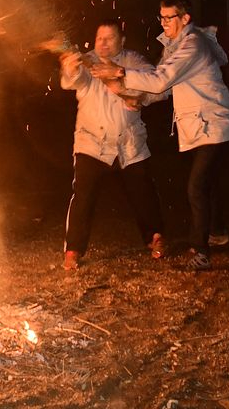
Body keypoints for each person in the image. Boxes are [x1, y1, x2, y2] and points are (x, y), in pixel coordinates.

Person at [90, 0, 229, 271]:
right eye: (161, 17)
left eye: (169, 17)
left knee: (196, 186)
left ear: (185, 19)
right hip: (201, 125)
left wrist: (121, 72)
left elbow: (160, 80)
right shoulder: (177, 45)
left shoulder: (192, 44)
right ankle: (218, 232)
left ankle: (201, 251)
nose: (163, 23)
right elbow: (165, 87)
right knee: (207, 182)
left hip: (214, 123)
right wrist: (139, 99)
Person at [59, 19, 167, 271]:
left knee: (143, 193)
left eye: (109, 38)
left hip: (129, 143)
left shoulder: (133, 62)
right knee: (83, 196)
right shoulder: (85, 61)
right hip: (91, 142)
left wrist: (132, 91)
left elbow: (158, 88)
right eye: (99, 38)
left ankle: (156, 238)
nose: (103, 43)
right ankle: (73, 250)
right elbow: (70, 81)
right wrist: (70, 68)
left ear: (122, 41)